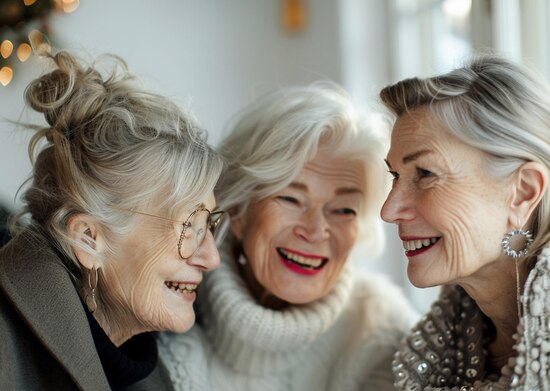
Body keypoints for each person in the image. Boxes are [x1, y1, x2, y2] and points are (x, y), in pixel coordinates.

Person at [380, 54, 550, 390]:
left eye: (425, 173)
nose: (389, 210)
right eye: (395, 175)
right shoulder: (423, 357)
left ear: (523, 192)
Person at [158, 83, 419, 390]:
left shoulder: (383, 332)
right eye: (291, 199)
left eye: (344, 210)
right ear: (238, 210)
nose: (315, 230)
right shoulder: (167, 311)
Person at [0, 50, 227, 390]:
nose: (212, 258)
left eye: (207, 225)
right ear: (89, 238)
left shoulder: (150, 365)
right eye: (188, 226)